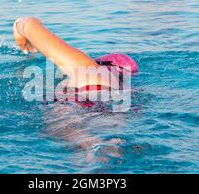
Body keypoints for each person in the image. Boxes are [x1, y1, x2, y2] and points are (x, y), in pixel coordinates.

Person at [13, 17, 138, 163]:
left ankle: (90, 144)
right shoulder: (125, 88)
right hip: (110, 107)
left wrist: (19, 29)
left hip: (80, 99)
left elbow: (29, 25)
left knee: (64, 117)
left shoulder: (89, 69)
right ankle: (100, 146)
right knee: (111, 133)